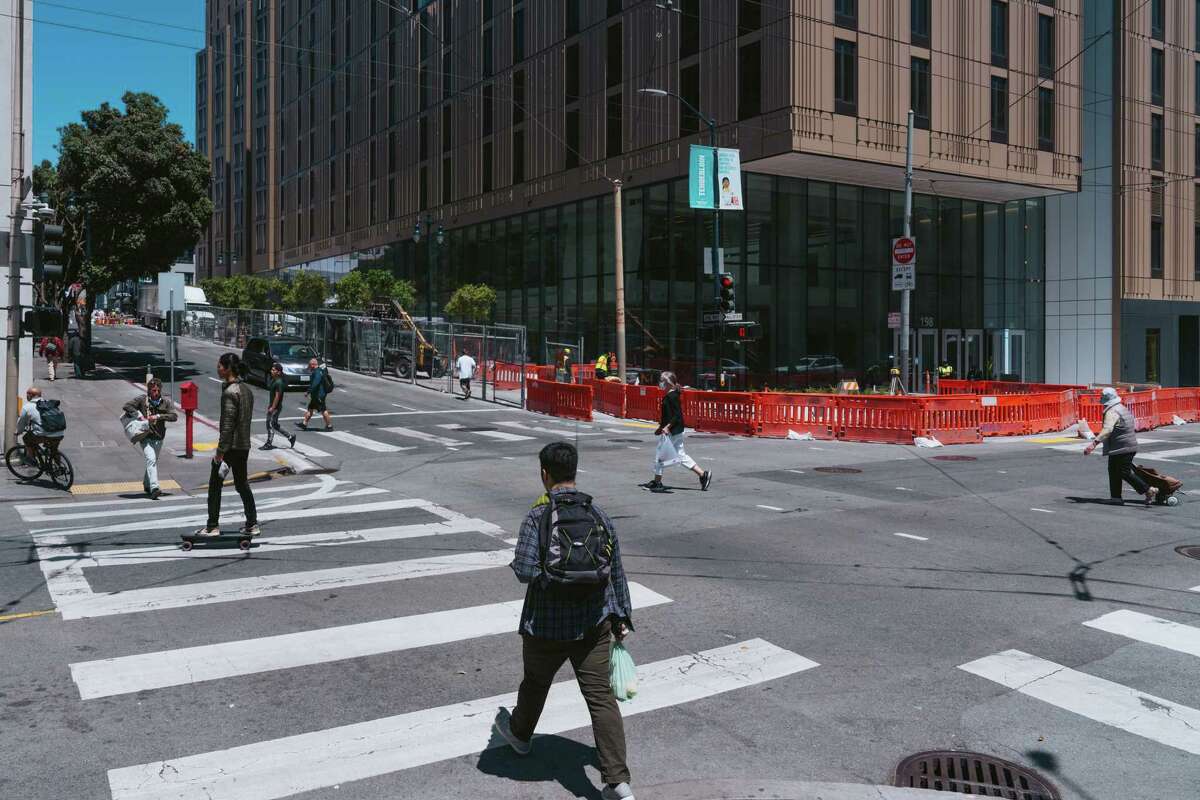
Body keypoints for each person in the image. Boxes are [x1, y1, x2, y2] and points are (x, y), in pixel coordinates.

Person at [492, 442, 636, 800]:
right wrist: (622, 616)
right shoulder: (599, 515)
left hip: (545, 627)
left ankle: (520, 735)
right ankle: (617, 781)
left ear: (545, 474)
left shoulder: (537, 517)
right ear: (574, 471)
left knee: (536, 683)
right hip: (594, 623)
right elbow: (615, 571)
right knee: (601, 698)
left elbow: (525, 571)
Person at [195, 353, 259, 537]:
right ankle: (252, 523)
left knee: (215, 485)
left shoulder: (230, 393)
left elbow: (228, 425)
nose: (218, 369)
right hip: (243, 445)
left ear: (227, 368)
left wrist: (220, 451)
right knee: (241, 484)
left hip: (230, 446)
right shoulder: (246, 390)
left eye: (220, 366)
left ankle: (212, 525)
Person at [1084, 387, 1158, 505]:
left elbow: (1107, 430)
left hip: (1122, 447)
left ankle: (1148, 490)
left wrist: (1093, 444)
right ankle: (1116, 498)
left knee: (1123, 472)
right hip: (1125, 445)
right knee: (1113, 471)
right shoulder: (1122, 408)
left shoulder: (1112, 411)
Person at [642, 371, 712, 493]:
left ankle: (657, 482)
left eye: (662, 381)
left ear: (668, 383)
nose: (660, 383)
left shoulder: (672, 396)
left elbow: (677, 415)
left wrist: (667, 427)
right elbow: (668, 415)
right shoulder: (671, 394)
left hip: (672, 431)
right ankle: (702, 474)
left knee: (660, 456)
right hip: (675, 430)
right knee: (680, 455)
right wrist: (661, 427)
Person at [122, 376, 178, 499]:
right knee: (151, 459)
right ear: (149, 391)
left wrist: (158, 416)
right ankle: (154, 488)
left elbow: (174, 416)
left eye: (158, 390)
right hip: (145, 437)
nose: (156, 393)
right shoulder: (142, 400)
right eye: (153, 390)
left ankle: (146, 484)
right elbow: (127, 406)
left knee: (152, 461)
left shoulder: (165, 402)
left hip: (159, 437)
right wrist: (139, 415)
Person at [16, 386, 65, 461]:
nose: (26, 396)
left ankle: (31, 459)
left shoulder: (27, 407)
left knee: (26, 439)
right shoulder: (50, 403)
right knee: (54, 450)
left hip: (43, 435)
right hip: (59, 433)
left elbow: (21, 422)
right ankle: (59, 467)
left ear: (30, 395)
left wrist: (19, 431)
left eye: (27, 394)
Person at [263, 362, 297, 449]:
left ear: (278, 372)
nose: (271, 371)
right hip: (275, 407)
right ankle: (290, 437)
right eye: (271, 369)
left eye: (273, 370)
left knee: (269, 424)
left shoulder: (279, 382)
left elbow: (277, 396)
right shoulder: (275, 380)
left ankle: (268, 443)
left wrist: (273, 408)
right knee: (274, 424)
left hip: (275, 407)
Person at [298, 357, 333, 431]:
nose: (309, 367)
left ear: (313, 365)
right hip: (316, 395)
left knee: (323, 410)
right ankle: (304, 424)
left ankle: (329, 426)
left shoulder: (317, 372)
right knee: (310, 408)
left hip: (319, 395)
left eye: (309, 365)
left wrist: (308, 391)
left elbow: (315, 383)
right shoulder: (318, 371)